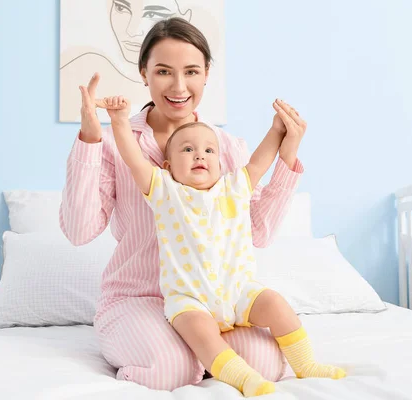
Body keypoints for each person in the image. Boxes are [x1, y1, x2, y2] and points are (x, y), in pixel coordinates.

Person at [59, 17, 304, 391]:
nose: (178, 86)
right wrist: (90, 140)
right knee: (170, 368)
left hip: (215, 302)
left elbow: (259, 232)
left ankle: (201, 353)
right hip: (138, 299)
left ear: (207, 74)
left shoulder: (226, 148)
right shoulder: (117, 143)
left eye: (191, 71)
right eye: (163, 72)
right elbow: (78, 232)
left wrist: (285, 157)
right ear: (144, 74)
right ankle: (183, 355)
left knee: (267, 364)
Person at [98, 95, 347, 396]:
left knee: (277, 305)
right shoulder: (164, 191)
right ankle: (243, 379)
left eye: (208, 150)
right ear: (167, 165)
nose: (199, 155)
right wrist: (120, 122)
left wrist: (277, 130)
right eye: (187, 149)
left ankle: (306, 364)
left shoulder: (234, 187)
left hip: (239, 291)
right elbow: (134, 159)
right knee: (201, 333)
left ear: (220, 160)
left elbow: (259, 161)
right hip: (189, 299)